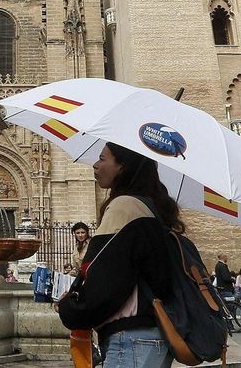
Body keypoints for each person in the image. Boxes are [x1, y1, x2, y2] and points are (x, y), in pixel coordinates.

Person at [57, 143, 179, 368]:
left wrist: (69, 307)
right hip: (153, 337)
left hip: (130, 339)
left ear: (123, 166)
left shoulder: (124, 208)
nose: (95, 164)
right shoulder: (151, 208)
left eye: (102, 159)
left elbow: (103, 284)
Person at [65, 221, 93, 368]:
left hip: (90, 284)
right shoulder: (77, 248)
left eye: (83, 232)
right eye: (78, 233)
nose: (81, 235)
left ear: (87, 232)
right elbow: (76, 269)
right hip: (80, 285)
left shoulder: (91, 245)